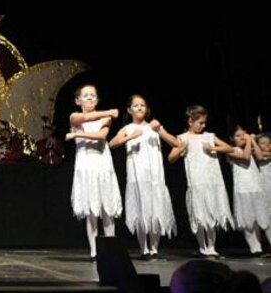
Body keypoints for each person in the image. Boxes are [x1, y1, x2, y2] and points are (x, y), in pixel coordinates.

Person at [108, 95, 179, 260]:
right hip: (137, 175)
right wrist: (130, 137)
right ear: (129, 110)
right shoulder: (128, 128)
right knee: (140, 208)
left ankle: (154, 248)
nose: (139, 108)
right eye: (135, 105)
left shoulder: (154, 125)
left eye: (142, 105)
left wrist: (159, 130)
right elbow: (111, 144)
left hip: (155, 175)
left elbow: (176, 143)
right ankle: (144, 249)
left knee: (156, 207)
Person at [65, 84, 122, 262]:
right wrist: (110, 111)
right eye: (86, 95)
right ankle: (94, 252)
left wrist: (77, 135)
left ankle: (111, 250)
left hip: (102, 163)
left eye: (93, 95)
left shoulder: (105, 118)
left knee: (107, 208)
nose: (90, 98)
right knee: (91, 210)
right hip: (86, 164)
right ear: (78, 100)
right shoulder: (74, 116)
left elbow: (101, 136)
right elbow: (85, 118)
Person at [168, 105, 233, 257]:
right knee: (200, 215)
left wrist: (213, 148)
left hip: (213, 180)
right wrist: (180, 149)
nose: (204, 126)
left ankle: (212, 247)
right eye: (200, 122)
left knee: (211, 213)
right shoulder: (182, 138)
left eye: (205, 122)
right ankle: (203, 247)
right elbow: (170, 158)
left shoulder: (209, 136)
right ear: (190, 121)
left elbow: (229, 148)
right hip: (197, 181)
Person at [226, 126, 270, 256]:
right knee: (248, 219)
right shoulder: (231, 150)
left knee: (263, 217)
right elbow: (245, 157)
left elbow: (260, 156)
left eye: (244, 135)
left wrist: (253, 141)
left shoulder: (251, 148)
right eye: (238, 136)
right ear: (232, 138)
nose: (242, 138)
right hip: (243, 189)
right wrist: (250, 140)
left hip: (256, 187)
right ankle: (255, 248)